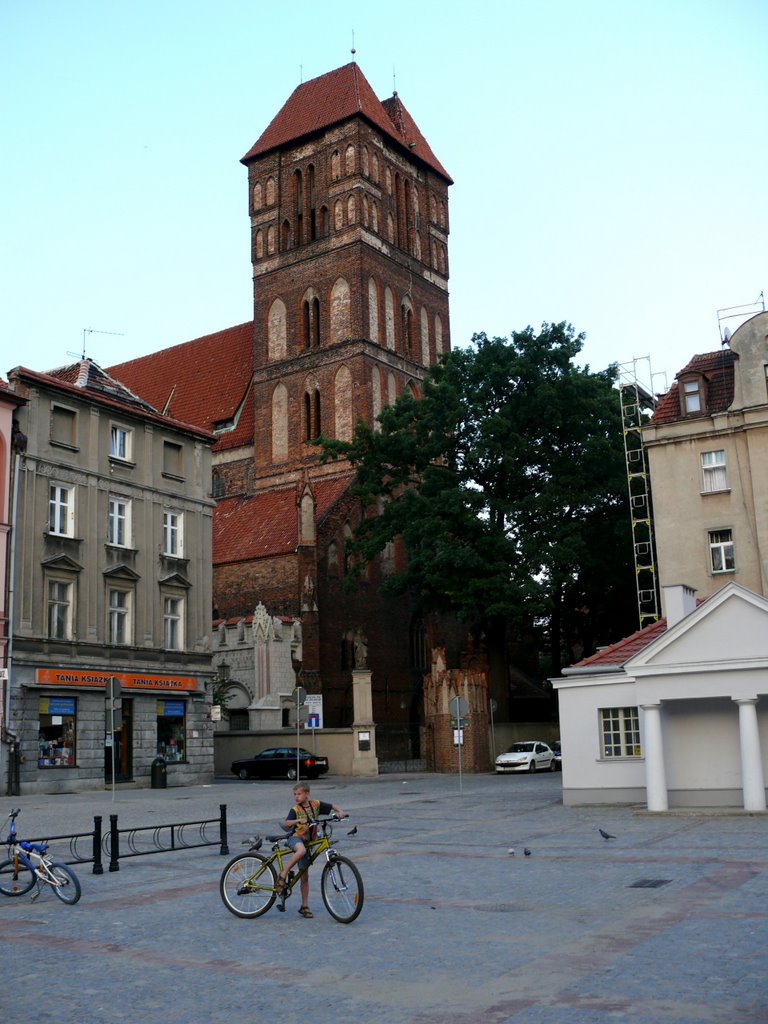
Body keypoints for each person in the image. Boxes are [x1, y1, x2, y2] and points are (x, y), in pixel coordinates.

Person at [277, 782, 347, 919]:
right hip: (295, 838)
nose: (296, 797)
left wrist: (340, 811)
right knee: (301, 851)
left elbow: (332, 806)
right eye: (295, 794)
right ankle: (283, 874)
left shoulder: (315, 804)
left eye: (299, 794)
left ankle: (304, 906)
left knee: (304, 876)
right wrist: (298, 820)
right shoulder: (295, 809)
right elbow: (286, 823)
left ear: (307, 794)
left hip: (308, 841)